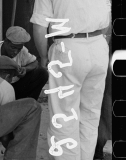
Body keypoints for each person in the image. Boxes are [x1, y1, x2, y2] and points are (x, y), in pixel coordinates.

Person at [30, 0, 111, 160]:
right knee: (90, 115)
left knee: (64, 116)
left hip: (67, 47)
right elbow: (108, 20)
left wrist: (44, 57)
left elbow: (39, 26)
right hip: (98, 44)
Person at [0, 26, 48, 100]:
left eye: (19, 49)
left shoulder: (22, 50)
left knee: (42, 73)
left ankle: (28, 102)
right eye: (13, 48)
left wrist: (25, 69)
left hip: (15, 85)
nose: (16, 52)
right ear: (6, 41)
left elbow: (34, 62)